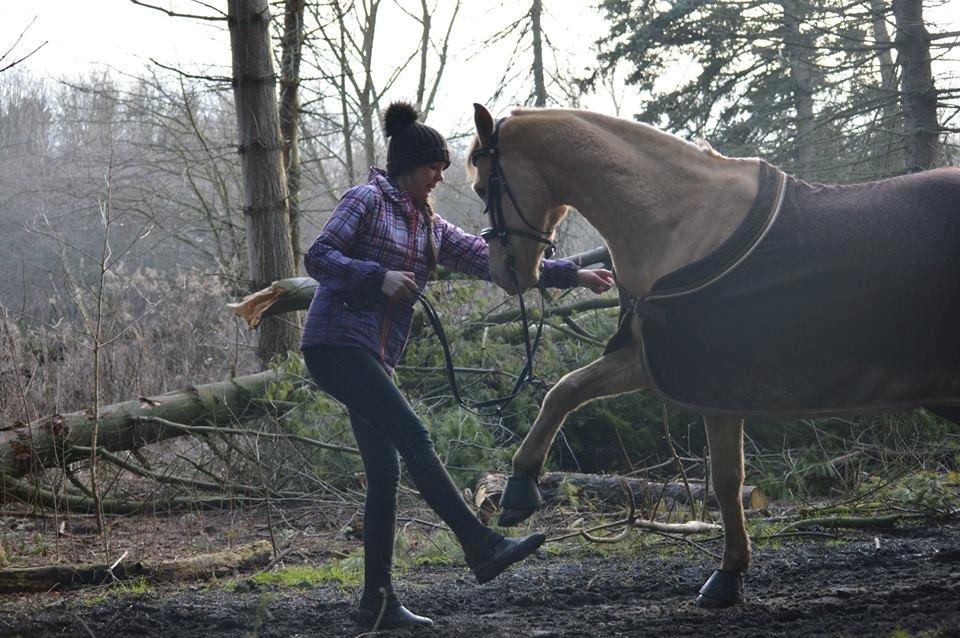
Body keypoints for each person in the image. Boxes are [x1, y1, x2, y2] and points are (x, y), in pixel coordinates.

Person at [300, 101, 614, 629]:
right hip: (336, 344)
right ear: (408, 166)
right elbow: (318, 256)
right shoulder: (366, 200)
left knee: (385, 471)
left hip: (373, 358)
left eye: (444, 168)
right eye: (433, 167)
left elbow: (487, 260)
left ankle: (377, 604)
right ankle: (481, 544)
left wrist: (573, 276)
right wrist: (376, 276)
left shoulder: (429, 226)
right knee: (415, 438)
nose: (439, 176)